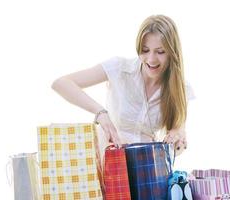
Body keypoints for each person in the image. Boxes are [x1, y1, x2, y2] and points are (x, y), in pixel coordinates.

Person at [51, 14, 194, 156]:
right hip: (110, 163)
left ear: (172, 52)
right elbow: (61, 83)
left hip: (145, 166)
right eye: (145, 50)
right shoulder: (119, 68)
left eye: (160, 52)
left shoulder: (181, 87)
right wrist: (101, 113)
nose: (151, 59)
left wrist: (177, 137)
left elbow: (178, 131)